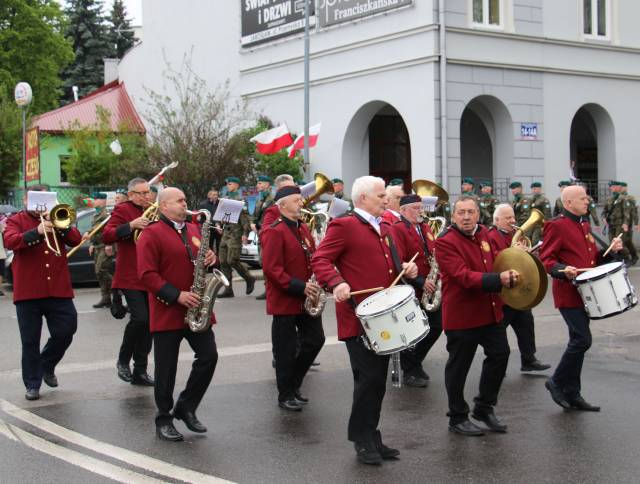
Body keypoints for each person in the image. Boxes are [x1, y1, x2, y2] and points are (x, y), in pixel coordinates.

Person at [312, 175, 418, 465]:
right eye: (381, 194)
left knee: (376, 381)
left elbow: (390, 263)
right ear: (362, 199)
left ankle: (371, 434)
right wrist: (336, 283)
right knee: (368, 378)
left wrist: (406, 268)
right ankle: (361, 439)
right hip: (359, 318)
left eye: (386, 194)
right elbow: (321, 259)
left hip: (386, 318)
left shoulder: (385, 226)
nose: (386, 199)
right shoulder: (344, 225)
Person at [137, 187, 218, 441]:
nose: (185, 204)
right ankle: (163, 419)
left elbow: (199, 259)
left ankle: (186, 406)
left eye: (185, 200)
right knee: (166, 369)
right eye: (179, 201)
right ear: (163, 206)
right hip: (168, 310)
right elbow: (146, 275)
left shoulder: (194, 229)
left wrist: (211, 258)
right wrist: (177, 295)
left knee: (209, 357)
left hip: (197, 309)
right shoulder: (151, 234)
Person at [435, 195, 516, 437]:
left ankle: (484, 407)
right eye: (461, 212)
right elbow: (463, 276)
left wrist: (517, 257)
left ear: (478, 215)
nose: (467, 217)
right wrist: (497, 280)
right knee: (459, 367)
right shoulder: (445, 242)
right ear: (453, 216)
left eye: (471, 212)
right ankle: (457, 417)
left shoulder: (485, 235)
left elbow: (500, 260)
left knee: (501, 355)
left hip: (490, 312)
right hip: (463, 316)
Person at [540, 185, 623, 411]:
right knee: (582, 340)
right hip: (569, 293)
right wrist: (561, 269)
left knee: (579, 340)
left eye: (587, 198)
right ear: (568, 203)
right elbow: (546, 260)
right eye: (583, 198)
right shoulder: (556, 226)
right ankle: (556, 381)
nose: (588, 201)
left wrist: (613, 251)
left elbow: (593, 260)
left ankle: (572, 393)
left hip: (587, 292)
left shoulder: (583, 224)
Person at [3, 185, 82, 400]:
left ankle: (46, 364)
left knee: (67, 330)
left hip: (58, 289)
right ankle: (32, 384)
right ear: (27, 200)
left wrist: (59, 224)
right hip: (29, 291)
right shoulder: (15, 220)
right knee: (30, 341)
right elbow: (10, 241)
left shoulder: (58, 216)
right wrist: (36, 232)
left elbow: (76, 239)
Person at [261, 185, 325, 411]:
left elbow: (313, 257)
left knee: (315, 340)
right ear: (283, 205)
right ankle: (285, 394)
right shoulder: (274, 230)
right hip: (286, 299)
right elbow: (271, 268)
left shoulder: (303, 228)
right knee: (285, 351)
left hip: (307, 297)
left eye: (301, 200)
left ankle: (294, 383)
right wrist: (299, 286)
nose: (301, 203)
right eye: (297, 200)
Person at [103, 177, 155, 387]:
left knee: (151, 323)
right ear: (131, 194)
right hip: (130, 275)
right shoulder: (122, 210)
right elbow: (107, 236)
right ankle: (123, 360)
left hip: (151, 274)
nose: (146, 196)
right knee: (141, 319)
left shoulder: (155, 209)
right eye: (142, 193)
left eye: (148, 192)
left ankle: (140, 370)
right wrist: (131, 225)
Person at [487, 204, 550, 372]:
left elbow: (523, 261)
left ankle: (528, 359)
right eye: (508, 218)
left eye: (513, 217)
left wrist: (529, 255)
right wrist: (515, 252)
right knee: (499, 331)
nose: (513, 221)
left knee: (526, 324)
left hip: (519, 290)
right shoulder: (490, 236)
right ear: (497, 220)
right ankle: (497, 367)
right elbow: (496, 261)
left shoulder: (515, 235)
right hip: (503, 293)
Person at [391, 194, 443, 387]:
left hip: (429, 286)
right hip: (411, 288)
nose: (420, 210)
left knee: (436, 327)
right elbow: (400, 262)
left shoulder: (425, 227)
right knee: (413, 331)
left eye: (421, 207)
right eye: (415, 207)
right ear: (403, 210)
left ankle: (414, 363)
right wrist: (421, 282)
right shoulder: (397, 229)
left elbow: (433, 253)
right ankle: (410, 370)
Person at [217, 176, 255, 298]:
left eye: (231, 184)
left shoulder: (240, 200)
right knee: (223, 261)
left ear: (237, 185)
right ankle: (228, 289)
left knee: (232, 260)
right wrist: (219, 224)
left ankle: (249, 278)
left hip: (236, 233)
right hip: (226, 233)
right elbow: (221, 216)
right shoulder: (225, 199)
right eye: (227, 184)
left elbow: (245, 218)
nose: (228, 186)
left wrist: (245, 233)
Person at [85, 192, 114, 308]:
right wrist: (91, 243)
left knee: (101, 269)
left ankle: (118, 288)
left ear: (103, 201)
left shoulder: (106, 214)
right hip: (97, 246)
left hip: (105, 245)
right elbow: (95, 232)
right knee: (99, 273)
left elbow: (108, 229)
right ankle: (106, 298)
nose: (94, 201)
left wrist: (109, 244)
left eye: (96, 199)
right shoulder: (96, 214)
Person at [252, 176, 276, 300]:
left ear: (267, 184)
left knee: (266, 260)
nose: (258, 185)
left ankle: (270, 289)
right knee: (262, 261)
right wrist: (252, 223)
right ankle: (269, 288)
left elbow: (272, 217)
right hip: (260, 233)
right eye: (257, 183)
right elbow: (255, 215)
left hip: (268, 233)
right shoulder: (259, 200)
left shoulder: (272, 199)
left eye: (260, 183)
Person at [602, 180, 633, 264]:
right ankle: (616, 259)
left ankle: (627, 258)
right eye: (611, 187)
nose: (611, 188)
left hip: (620, 224)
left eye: (613, 186)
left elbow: (627, 212)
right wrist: (603, 218)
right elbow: (604, 211)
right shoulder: (609, 199)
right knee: (612, 243)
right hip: (611, 224)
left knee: (619, 242)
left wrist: (626, 223)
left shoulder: (623, 198)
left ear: (618, 187)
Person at [618, 182, 638, 265]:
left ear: (625, 188)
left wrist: (636, 223)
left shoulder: (630, 198)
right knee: (623, 241)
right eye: (620, 187)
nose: (620, 189)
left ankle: (633, 256)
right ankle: (623, 258)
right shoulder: (618, 197)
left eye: (622, 187)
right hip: (619, 223)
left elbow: (633, 211)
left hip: (627, 224)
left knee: (627, 242)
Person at [198, 189, 221, 254]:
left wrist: (219, 224)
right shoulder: (203, 204)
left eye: (216, 195)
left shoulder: (220, 203)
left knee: (220, 246)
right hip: (209, 229)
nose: (216, 196)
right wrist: (216, 224)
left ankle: (219, 261)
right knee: (209, 246)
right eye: (214, 195)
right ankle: (210, 261)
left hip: (219, 229)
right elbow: (202, 218)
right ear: (209, 196)